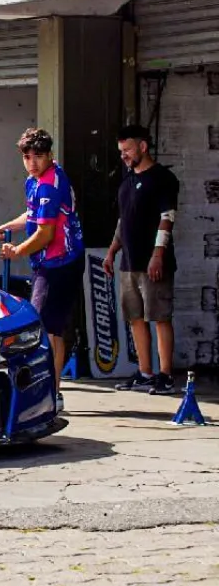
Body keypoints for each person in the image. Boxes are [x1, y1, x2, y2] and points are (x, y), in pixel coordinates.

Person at [0, 128, 85, 396]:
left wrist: (16, 250)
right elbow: (34, 216)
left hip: (61, 262)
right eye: (27, 156)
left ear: (50, 155)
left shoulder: (49, 184)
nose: (32, 162)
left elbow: (46, 233)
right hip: (48, 262)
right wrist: (7, 226)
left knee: (43, 325)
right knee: (48, 327)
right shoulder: (34, 181)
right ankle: (50, 390)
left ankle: (50, 392)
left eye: (38, 156)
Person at [103, 125, 179, 395]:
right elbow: (123, 220)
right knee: (135, 318)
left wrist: (158, 254)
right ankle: (145, 372)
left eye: (128, 150)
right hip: (129, 263)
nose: (124, 155)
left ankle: (165, 375)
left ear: (143, 147)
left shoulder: (162, 178)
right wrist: (113, 250)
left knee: (159, 317)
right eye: (121, 151)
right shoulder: (125, 181)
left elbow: (167, 217)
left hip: (153, 263)